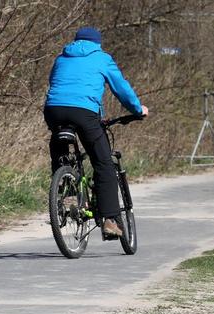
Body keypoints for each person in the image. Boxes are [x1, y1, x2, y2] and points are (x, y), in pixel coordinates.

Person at [44, 26, 148, 239]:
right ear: (98, 43)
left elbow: (55, 82)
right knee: (103, 163)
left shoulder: (61, 58)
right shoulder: (102, 58)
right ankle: (110, 219)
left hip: (53, 110)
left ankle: (67, 194)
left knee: (60, 149)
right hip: (84, 113)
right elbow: (121, 89)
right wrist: (138, 109)